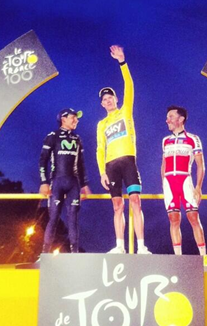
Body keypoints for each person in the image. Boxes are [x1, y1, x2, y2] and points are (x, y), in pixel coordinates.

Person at [96, 45, 150, 254]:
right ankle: (119, 246)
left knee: (135, 202)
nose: (108, 101)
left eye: (110, 97)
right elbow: (100, 149)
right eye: (104, 100)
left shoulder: (126, 110)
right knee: (117, 206)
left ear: (116, 99)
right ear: (102, 104)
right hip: (111, 166)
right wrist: (102, 172)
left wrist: (122, 62)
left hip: (128, 161)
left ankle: (142, 247)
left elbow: (129, 85)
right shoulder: (101, 124)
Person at [161, 106, 207, 264]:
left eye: (170, 116)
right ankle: (178, 260)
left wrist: (198, 187)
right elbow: (163, 165)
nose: (167, 120)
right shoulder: (165, 141)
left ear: (180, 119)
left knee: (193, 217)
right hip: (169, 183)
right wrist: (163, 183)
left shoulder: (193, 138)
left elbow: (200, 165)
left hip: (185, 181)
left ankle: (203, 257)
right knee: (173, 219)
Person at [39, 108, 91, 253]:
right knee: (53, 218)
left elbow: (81, 164)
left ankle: (74, 254)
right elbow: (43, 160)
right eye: (73, 118)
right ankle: (44, 254)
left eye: (77, 118)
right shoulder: (52, 136)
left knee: (73, 219)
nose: (76, 120)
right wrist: (43, 182)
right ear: (63, 119)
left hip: (74, 184)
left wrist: (85, 184)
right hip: (57, 182)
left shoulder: (77, 139)